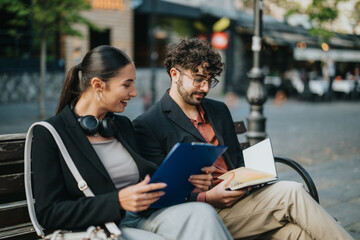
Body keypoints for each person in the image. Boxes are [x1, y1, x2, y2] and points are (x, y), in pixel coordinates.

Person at [133, 39, 354, 240]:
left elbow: (237, 163)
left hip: (242, 201)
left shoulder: (217, 110)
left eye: (211, 81)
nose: (206, 88)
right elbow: (155, 198)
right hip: (201, 214)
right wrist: (208, 197)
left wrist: (249, 179)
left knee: (297, 233)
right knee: (292, 193)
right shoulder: (149, 124)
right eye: (199, 79)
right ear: (174, 74)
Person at [30, 45, 233, 240]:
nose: (134, 92)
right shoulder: (49, 134)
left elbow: (148, 182)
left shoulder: (121, 125)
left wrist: (187, 184)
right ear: (97, 85)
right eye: (127, 85)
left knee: (202, 213)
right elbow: (48, 213)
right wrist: (117, 201)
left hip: (141, 218)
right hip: (101, 228)